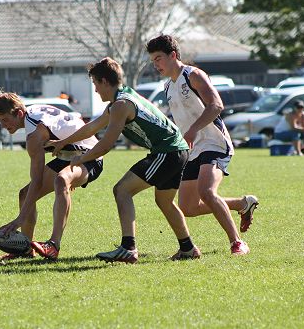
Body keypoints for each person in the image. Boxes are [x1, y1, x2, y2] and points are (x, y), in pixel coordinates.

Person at [48, 57, 200, 263]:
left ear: (103, 82)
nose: (95, 91)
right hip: (176, 150)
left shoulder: (121, 105)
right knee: (164, 201)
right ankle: (188, 248)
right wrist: (62, 142)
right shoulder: (123, 98)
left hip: (167, 152)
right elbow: (93, 127)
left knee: (122, 190)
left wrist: (81, 159)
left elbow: (106, 144)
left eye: (95, 85)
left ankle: (128, 248)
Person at [146, 35, 255, 256]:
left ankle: (237, 243)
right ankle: (242, 203)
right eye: (153, 61)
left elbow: (216, 105)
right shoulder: (168, 87)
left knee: (207, 191)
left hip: (214, 143)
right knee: (188, 207)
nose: (156, 64)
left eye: (158, 58)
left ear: (173, 55)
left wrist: (194, 129)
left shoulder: (193, 75)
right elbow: (180, 122)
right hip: (192, 150)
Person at [0, 92, 103, 261]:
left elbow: (37, 180)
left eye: (5, 120)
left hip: (90, 155)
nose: (4, 126)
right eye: (0, 121)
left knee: (61, 180)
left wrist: (20, 219)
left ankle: (53, 245)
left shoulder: (34, 135)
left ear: (19, 113)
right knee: (25, 194)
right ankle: (26, 249)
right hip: (67, 155)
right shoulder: (31, 115)